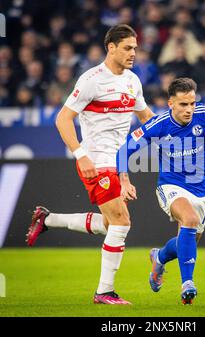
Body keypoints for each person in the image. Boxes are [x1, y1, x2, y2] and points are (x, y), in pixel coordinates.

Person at [26, 24, 154, 305]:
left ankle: (47, 218)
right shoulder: (92, 80)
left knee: (111, 224)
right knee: (122, 221)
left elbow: (146, 116)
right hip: (96, 160)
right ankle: (104, 292)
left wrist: (175, 130)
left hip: (118, 162)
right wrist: (80, 154)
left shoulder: (133, 81)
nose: (134, 53)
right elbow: (62, 119)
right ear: (111, 47)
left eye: (135, 48)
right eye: (128, 48)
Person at [116, 77, 205, 304]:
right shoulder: (159, 124)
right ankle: (188, 284)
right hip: (171, 186)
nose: (189, 109)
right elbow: (125, 149)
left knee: (187, 242)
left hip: (203, 190)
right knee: (190, 219)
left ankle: (159, 257)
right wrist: (124, 180)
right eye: (183, 104)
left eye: (192, 103)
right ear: (170, 104)